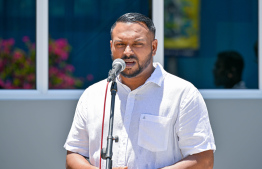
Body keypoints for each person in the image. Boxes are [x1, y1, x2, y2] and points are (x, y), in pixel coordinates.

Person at [64, 13, 216, 169]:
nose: (128, 52)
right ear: (111, 47)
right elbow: (74, 155)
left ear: (154, 47)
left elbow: (203, 160)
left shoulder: (182, 94)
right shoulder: (93, 95)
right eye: (120, 44)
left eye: (137, 44)